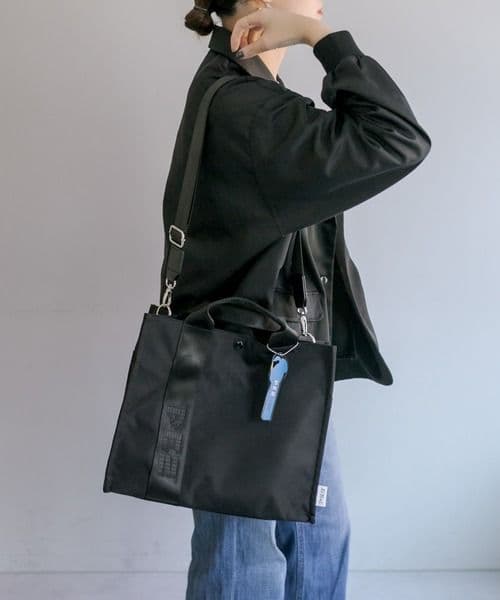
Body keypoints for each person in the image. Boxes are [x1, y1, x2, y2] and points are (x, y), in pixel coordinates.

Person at [160, 1, 432, 598]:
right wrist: (318, 35)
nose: (320, 0)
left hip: (279, 362)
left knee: (319, 537)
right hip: (246, 369)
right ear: (259, 3)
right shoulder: (247, 108)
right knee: (244, 558)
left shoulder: (249, 94)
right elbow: (395, 138)